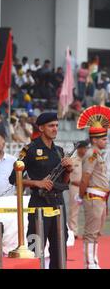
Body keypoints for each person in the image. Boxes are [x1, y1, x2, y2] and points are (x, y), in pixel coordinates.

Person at [9, 112, 73, 269]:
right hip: (39, 202)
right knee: (36, 246)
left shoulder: (59, 151)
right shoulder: (29, 149)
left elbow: (64, 183)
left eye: (57, 125)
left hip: (58, 204)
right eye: (51, 126)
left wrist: (69, 170)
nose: (55, 129)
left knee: (59, 245)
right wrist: (36, 183)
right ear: (41, 128)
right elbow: (13, 179)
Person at [77, 107, 110, 269]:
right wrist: (80, 196)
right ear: (95, 139)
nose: (106, 141)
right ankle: (90, 264)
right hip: (94, 196)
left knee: (96, 233)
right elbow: (85, 178)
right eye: (103, 138)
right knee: (91, 233)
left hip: (101, 197)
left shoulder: (97, 154)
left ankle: (94, 262)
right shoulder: (91, 154)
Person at [67, 140, 88, 238]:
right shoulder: (73, 161)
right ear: (79, 149)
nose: (84, 150)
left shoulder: (89, 160)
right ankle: (73, 232)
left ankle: (88, 232)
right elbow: (68, 175)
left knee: (89, 210)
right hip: (75, 187)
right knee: (74, 211)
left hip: (87, 188)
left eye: (85, 148)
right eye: (83, 148)